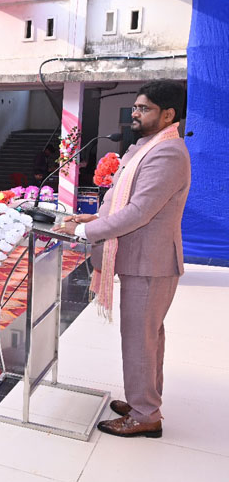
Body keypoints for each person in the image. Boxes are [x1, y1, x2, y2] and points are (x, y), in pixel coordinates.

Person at [53, 80, 190, 439]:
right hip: (143, 259)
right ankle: (144, 402)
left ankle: (146, 415)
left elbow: (140, 211)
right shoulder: (148, 147)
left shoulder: (167, 153)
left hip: (150, 262)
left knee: (140, 339)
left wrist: (88, 231)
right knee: (146, 338)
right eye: (135, 107)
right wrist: (93, 218)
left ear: (168, 115)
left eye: (144, 108)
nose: (135, 113)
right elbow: (121, 202)